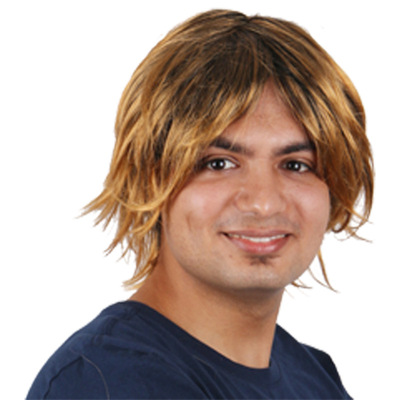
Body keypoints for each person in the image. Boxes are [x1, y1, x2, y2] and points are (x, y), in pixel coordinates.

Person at [27, 9, 373, 399]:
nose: (263, 202)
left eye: (296, 164)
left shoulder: (312, 375)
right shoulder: (106, 381)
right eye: (218, 163)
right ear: (150, 176)